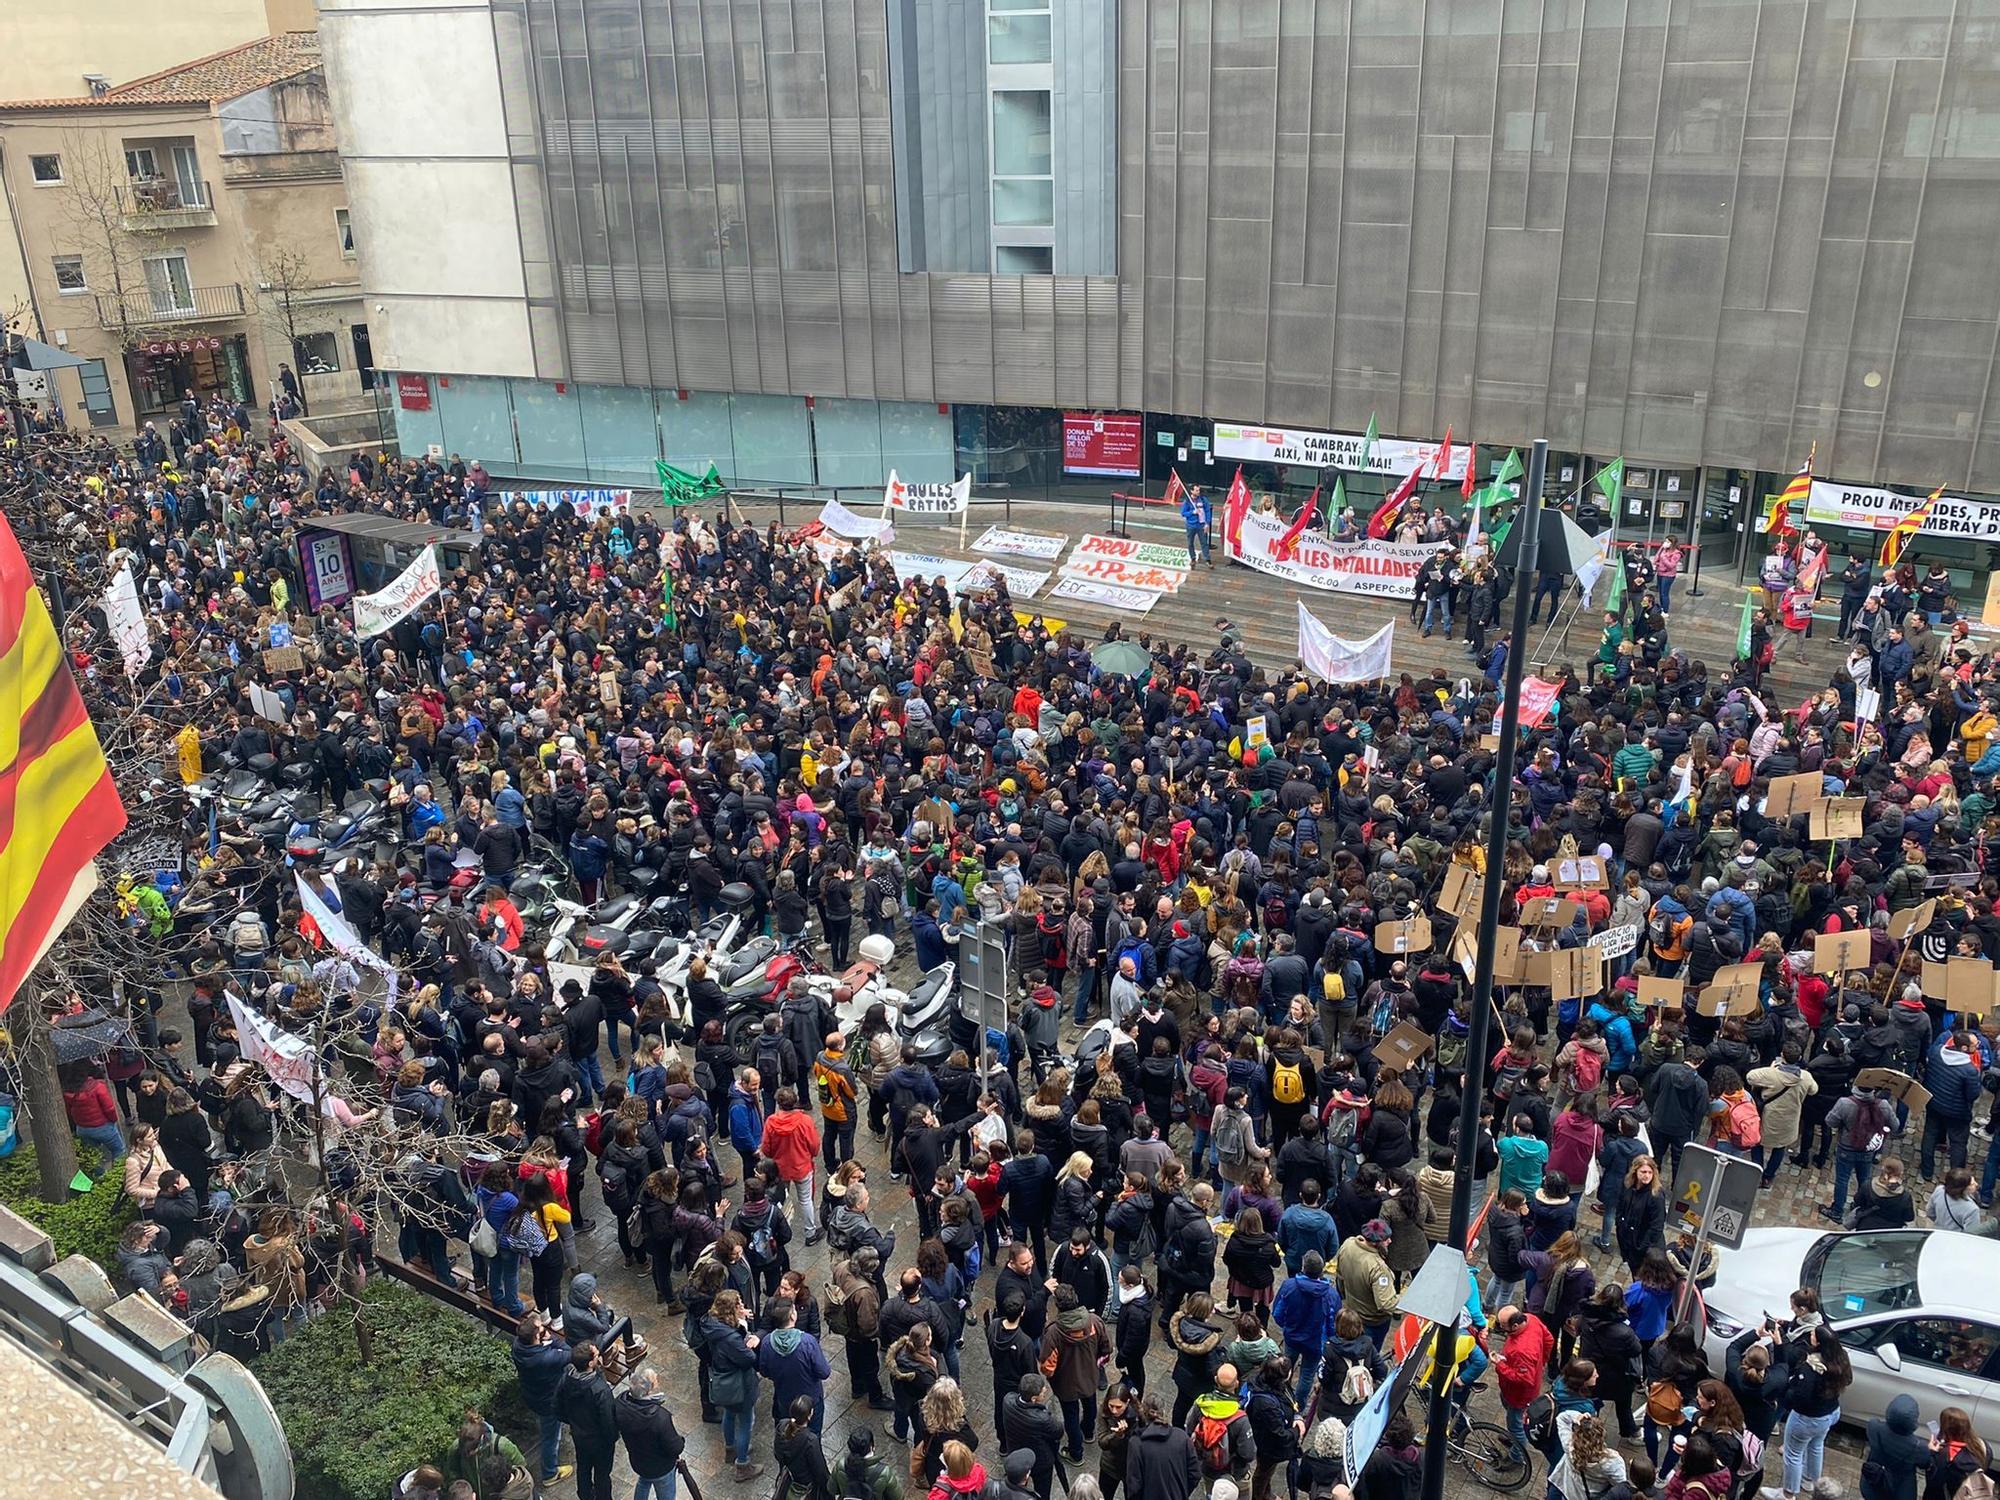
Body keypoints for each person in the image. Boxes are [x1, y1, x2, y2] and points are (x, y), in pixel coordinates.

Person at [1770, 1323, 1849, 1500]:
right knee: (1816, 1445)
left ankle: (1787, 1494)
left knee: (1793, 1454)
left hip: (1807, 1419)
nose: (1810, 1337)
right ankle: (1810, 1481)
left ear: (1819, 1343)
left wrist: (1789, 1390)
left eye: (1813, 1335)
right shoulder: (1841, 1359)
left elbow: (1800, 1397)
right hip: (1830, 1413)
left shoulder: (1811, 1367)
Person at [1039, 1283, 1113, 1462]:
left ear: (1057, 1305)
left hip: (1066, 1385)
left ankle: (1076, 1452)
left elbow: (1047, 1366)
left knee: (1070, 1416)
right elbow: (1107, 1348)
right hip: (1089, 1377)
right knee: (1090, 1405)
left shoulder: (1053, 1333)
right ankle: (1089, 1432)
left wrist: (1053, 1377)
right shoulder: (1094, 1321)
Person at [555, 1342, 618, 1500]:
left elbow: (557, 1406)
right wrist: (611, 1439)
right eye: (597, 1355)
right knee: (602, 1474)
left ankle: (585, 1496)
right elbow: (608, 1420)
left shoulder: (566, 1377)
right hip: (600, 1441)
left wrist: (573, 1423)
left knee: (583, 1468)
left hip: (580, 1436)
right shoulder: (600, 1391)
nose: (599, 1357)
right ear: (590, 1363)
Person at [1494, 1304, 1554, 1461]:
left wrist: (1500, 1365)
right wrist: (1541, 1362)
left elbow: (1523, 1379)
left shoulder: (1522, 1350)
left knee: (1516, 1425)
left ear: (1514, 1325)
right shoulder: (1531, 1319)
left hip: (1518, 1396)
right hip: (1517, 1390)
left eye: (1503, 1326)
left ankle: (1517, 1456)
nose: (1500, 1327)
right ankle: (1514, 1439)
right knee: (1513, 1417)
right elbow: (1549, 1339)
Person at [614, 1367, 684, 1500]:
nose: (657, 1378)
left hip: (638, 1461)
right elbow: (675, 1447)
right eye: (655, 1379)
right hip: (661, 1467)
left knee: (644, 1481)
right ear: (649, 1390)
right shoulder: (660, 1418)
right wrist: (681, 1441)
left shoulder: (619, 1404)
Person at [1126, 1394, 1202, 1500]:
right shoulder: (1181, 1436)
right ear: (1165, 1412)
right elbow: (1195, 1473)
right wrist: (1181, 1492)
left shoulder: (1136, 1443)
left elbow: (1134, 1485)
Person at [1860, 1394, 1932, 1500]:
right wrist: (1931, 1449)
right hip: (1900, 1490)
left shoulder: (1874, 1426)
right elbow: (1925, 1464)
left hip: (1873, 1480)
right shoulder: (1919, 1447)